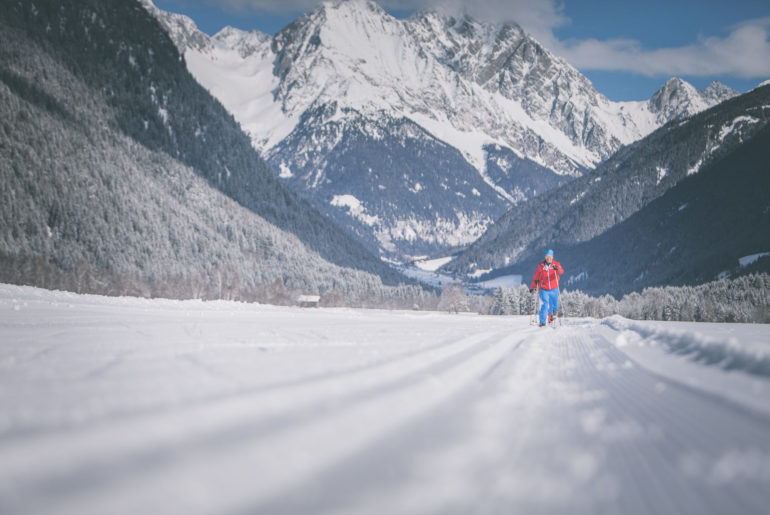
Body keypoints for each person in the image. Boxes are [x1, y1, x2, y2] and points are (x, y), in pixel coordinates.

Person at [530, 249, 564, 327]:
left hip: (554, 288)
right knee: (545, 305)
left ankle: (551, 316)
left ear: (552, 257)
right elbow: (536, 277)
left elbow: (561, 271)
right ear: (545, 257)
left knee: (554, 305)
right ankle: (542, 322)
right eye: (547, 257)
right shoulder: (541, 266)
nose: (548, 258)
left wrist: (557, 269)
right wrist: (533, 287)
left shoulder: (556, 264)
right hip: (544, 289)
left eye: (550, 257)